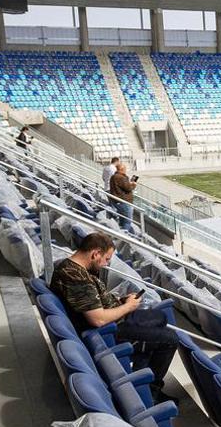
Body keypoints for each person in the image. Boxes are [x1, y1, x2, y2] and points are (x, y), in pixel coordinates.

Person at [50, 232, 177, 386]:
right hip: (107, 330)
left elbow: (94, 301)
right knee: (170, 339)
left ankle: (141, 372)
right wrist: (128, 306)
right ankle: (152, 388)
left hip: (112, 318)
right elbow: (98, 319)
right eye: (106, 259)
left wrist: (122, 300)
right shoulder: (77, 278)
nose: (105, 264)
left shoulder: (70, 267)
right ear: (96, 253)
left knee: (160, 317)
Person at [109, 161, 139, 233]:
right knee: (127, 222)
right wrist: (133, 184)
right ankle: (125, 237)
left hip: (119, 202)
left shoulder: (114, 176)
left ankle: (122, 234)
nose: (126, 170)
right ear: (122, 169)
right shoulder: (120, 177)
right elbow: (128, 188)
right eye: (125, 169)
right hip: (124, 202)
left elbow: (123, 186)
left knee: (122, 221)